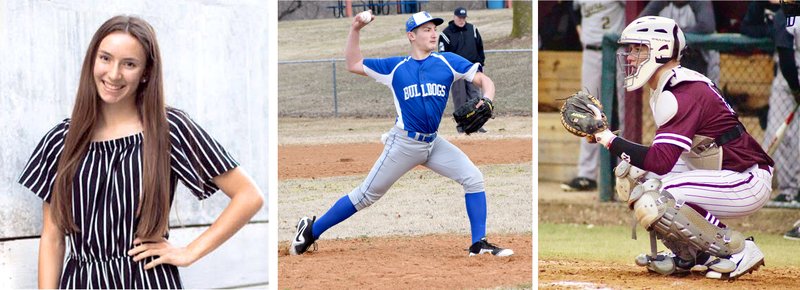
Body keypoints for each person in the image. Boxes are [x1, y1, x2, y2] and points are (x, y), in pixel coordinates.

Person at [17, 15, 264, 288]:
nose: (114, 74)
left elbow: (248, 195)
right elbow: (52, 238)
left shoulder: (168, 129)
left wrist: (189, 252)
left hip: (147, 281)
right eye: (106, 58)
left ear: (146, 72)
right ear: (92, 61)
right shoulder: (61, 140)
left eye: (129, 64)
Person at [289, 11, 512, 257]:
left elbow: (484, 80)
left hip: (433, 143)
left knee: (473, 178)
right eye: (426, 29)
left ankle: (478, 244)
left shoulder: (447, 62)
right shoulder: (395, 68)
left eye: (434, 29)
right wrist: (355, 29)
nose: (433, 33)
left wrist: (487, 100)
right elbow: (353, 64)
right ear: (411, 36)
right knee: (365, 196)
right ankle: (310, 231)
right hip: (404, 145)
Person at [586, 16, 772, 279]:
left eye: (638, 49)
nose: (629, 57)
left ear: (660, 50)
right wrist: (608, 141)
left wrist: (607, 138)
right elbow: (660, 161)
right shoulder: (669, 85)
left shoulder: (680, 91)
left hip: (746, 179)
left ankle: (738, 249)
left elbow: (661, 161)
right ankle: (693, 253)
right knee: (634, 177)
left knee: (662, 196)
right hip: (717, 167)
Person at [561, 0, 625, 191]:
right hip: (591, 51)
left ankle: (630, 170)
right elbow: (571, 8)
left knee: (625, 110)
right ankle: (586, 175)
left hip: (619, 50)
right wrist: (579, 27)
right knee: (586, 111)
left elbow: (636, 9)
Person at [639, 0, 720, 84]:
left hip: (698, 59)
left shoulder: (699, 2)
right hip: (669, 58)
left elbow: (707, 26)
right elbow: (640, 23)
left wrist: (674, 33)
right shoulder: (661, 2)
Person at [438, 7, 487, 133]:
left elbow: (480, 47)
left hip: (472, 68)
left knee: (475, 96)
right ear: (454, 17)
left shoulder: (473, 29)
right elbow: (442, 54)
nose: (461, 20)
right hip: (456, 71)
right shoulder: (446, 33)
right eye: (459, 18)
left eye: (464, 18)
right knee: (459, 98)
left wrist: (481, 64)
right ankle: (462, 125)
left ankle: (477, 124)